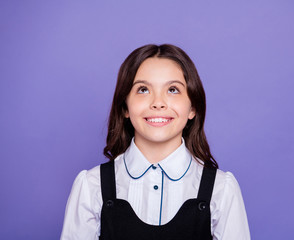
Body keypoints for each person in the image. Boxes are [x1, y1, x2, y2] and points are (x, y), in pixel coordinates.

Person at [60, 44, 250, 240]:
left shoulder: (222, 189)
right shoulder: (91, 187)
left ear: (192, 107)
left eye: (173, 90)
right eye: (143, 89)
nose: (158, 103)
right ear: (125, 106)